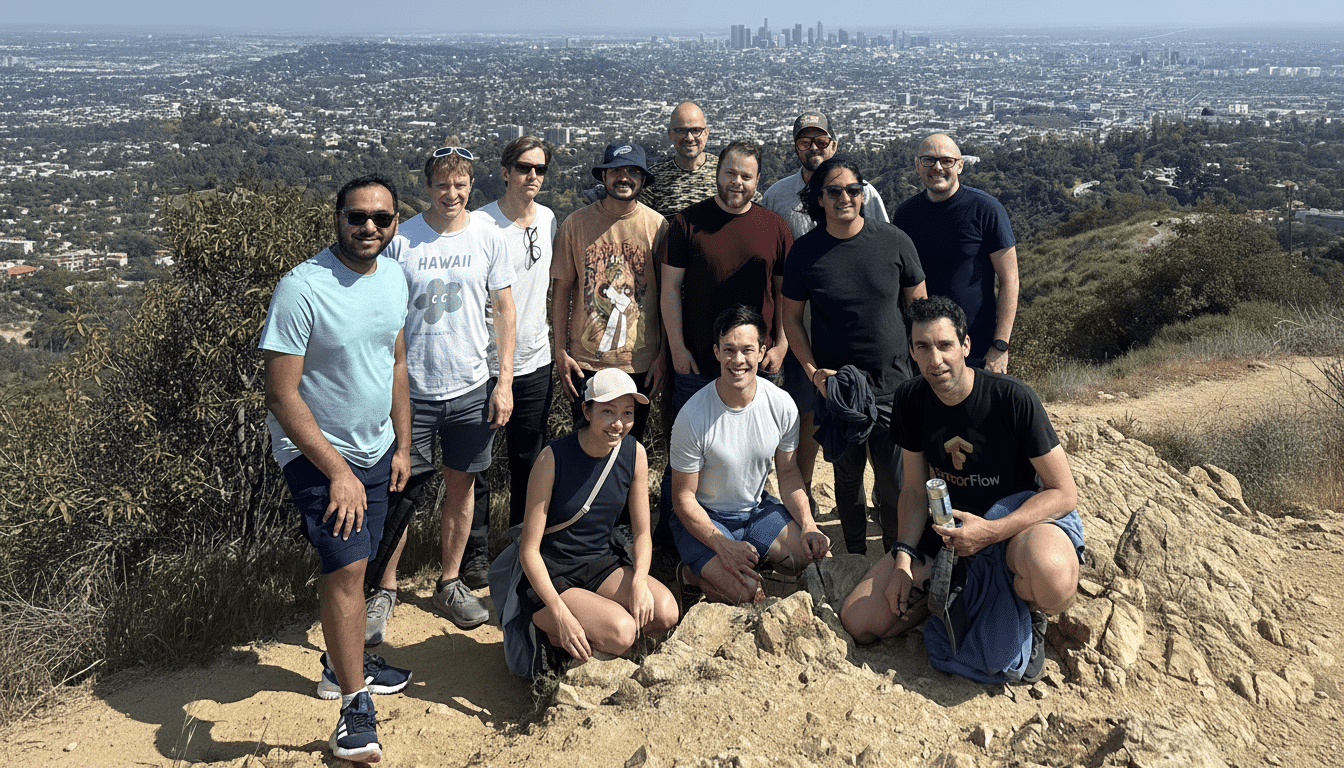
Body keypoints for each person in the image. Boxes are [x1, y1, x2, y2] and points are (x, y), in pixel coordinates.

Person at [840, 296, 1085, 684]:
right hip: (947, 533)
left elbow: (1063, 492)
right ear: (911, 351)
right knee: (861, 622)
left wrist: (990, 532)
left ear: (966, 345)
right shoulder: (910, 399)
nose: (935, 359)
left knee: (1053, 579)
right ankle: (944, 596)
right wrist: (903, 560)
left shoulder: (1012, 398)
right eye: (922, 347)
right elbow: (915, 491)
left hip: (1013, 529)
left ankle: (1031, 612)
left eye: (945, 345)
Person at [260, 174, 412, 763]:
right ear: (338, 219)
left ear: (396, 221)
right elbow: (282, 396)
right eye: (358, 217)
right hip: (317, 453)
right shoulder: (302, 288)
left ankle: (339, 659)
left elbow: (395, 361)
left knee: (363, 560)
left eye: (382, 218)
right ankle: (353, 705)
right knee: (348, 571)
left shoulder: (395, 276)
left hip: (376, 448)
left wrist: (401, 444)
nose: (370, 227)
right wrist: (339, 473)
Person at [367, 145, 516, 638]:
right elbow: (382, 314)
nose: (451, 194)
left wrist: (505, 381)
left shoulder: (489, 236)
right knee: (399, 491)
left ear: (471, 186)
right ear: (426, 188)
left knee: (462, 487)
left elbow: (504, 311)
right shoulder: (402, 240)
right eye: (442, 185)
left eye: (460, 185)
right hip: (411, 389)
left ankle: (449, 580)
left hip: (471, 384)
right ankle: (384, 588)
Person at [781, 157, 927, 556]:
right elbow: (791, 319)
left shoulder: (895, 241)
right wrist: (814, 375)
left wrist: (922, 369)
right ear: (820, 199)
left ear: (863, 194)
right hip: (839, 391)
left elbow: (919, 308)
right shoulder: (805, 253)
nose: (844, 197)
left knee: (895, 482)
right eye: (833, 191)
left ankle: (900, 557)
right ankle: (857, 556)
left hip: (894, 386)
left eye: (852, 190)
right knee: (847, 480)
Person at [655, 140, 793, 552]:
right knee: (684, 461)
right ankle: (670, 542)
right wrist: (677, 348)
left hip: (757, 362)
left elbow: (786, 294)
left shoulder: (775, 227)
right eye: (730, 172)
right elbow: (669, 290)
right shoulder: (686, 224)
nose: (737, 182)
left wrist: (782, 342)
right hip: (696, 363)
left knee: (751, 453)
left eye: (746, 176)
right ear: (717, 172)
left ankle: (745, 530)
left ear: (757, 180)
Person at [760, 111, 890, 509]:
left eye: (821, 141)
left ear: (833, 144)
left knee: (865, 412)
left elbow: (884, 248)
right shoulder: (777, 196)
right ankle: (803, 504)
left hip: (857, 329)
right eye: (805, 141)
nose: (813, 148)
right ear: (795, 146)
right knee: (806, 416)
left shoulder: (861, 192)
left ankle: (878, 497)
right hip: (802, 331)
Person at [669, 306, 830, 606]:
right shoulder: (692, 417)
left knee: (809, 558)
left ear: (761, 352)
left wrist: (808, 523)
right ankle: (690, 575)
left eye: (747, 350)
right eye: (729, 349)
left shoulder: (781, 405)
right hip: (705, 518)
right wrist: (721, 543)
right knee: (747, 594)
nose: (738, 360)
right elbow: (683, 500)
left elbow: (790, 473)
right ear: (716, 352)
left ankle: (752, 553)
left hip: (755, 512)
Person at [519, 368, 680, 662]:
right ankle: (550, 630)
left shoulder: (635, 454)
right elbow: (528, 551)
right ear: (587, 410)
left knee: (666, 611)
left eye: (628, 413)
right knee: (622, 631)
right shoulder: (552, 458)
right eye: (608, 411)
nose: (618, 423)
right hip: (556, 571)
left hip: (601, 562)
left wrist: (640, 581)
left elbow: (643, 533)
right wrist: (559, 612)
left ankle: (589, 632)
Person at [460, 136, 559, 588]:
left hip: (535, 361)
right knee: (477, 466)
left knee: (528, 461)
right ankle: (474, 554)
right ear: (505, 172)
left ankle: (523, 545)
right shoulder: (479, 224)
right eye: (523, 168)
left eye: (540, 169)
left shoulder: (551, 220)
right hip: (483, 365)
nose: (532, 176)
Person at [552, 142, 668, 438]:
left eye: (632, 171)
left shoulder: (657, 226)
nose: (623, 177)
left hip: (639, 362)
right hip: (586, 362)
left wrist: (662, 356)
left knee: (630, 448)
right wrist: (561, 351)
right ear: (603, 177)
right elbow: (562, 289)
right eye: (616, 170)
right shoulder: (575, 225)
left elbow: (668, 296)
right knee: (585, 445)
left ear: (642, 179)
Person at [892, 134, 1019, 372]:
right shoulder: (906, 214)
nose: (937, 167)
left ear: (959, 165)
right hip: (924, 350)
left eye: (946, 161)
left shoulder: (986, 209)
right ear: (918, 165)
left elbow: (1010, 280)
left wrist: (1000, 346)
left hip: (976, 350)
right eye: (928, 160)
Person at [639, 101, 720, 218]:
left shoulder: (725, 171)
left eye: (696, 130)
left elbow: (753, 206)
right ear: (670, 134)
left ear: (706, 133)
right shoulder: (653, 179)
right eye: (681, 131)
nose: (689, 138)